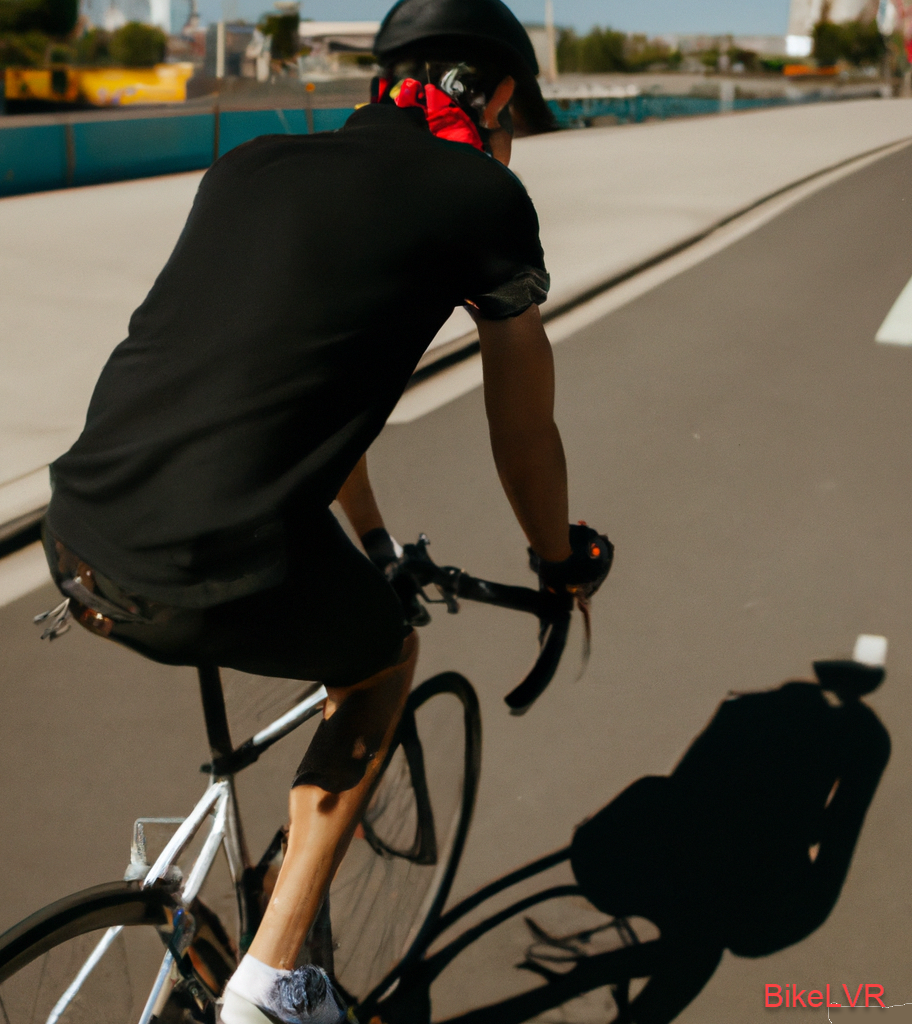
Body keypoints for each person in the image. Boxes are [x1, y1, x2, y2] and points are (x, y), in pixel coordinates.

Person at [41, 0, 612, 1020]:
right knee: (383, 658)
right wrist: (559, 561)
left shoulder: (251, 163)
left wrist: (378, 542)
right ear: (500, 98)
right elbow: (524, 432)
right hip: (209, 559)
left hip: (77, 526)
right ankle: (272, 984)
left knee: (300, 599)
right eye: (516, 125)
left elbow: (284, 391)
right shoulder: (480, 196)